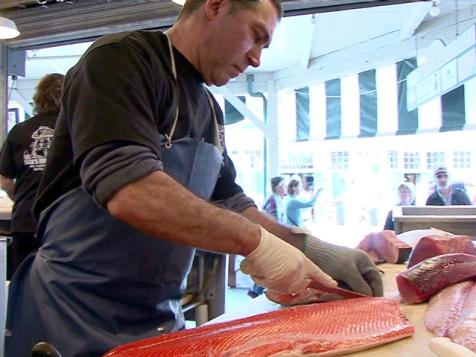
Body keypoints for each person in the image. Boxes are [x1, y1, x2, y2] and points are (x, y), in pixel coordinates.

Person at [5, 1, 382, 355]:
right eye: (256, 35)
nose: (256, 58)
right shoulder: (120, 60)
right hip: (70, 311)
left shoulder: (209, 110)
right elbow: (128, 188)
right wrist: (259, 246)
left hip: (156, 317)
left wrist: (309, 248)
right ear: (215, 6)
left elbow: (228, 199)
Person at [0, 73, 65, 279]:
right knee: (59, 288)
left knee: (22, 283)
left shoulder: (19, 131)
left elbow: (5, 180)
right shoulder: (73, 130)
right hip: (62, 223)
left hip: (25, 221)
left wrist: (22, 198)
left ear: (38, 98)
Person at [248, 175, 286, 298]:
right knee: (269, 265)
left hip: (272, 237)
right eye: (283, 185)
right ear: (277, 187)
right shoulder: (273, 200)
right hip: (270, 237)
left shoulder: (278, 199)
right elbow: (274, 222)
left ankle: (256, 291)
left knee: (269, 265)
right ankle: (256, 291)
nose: (285, 188)